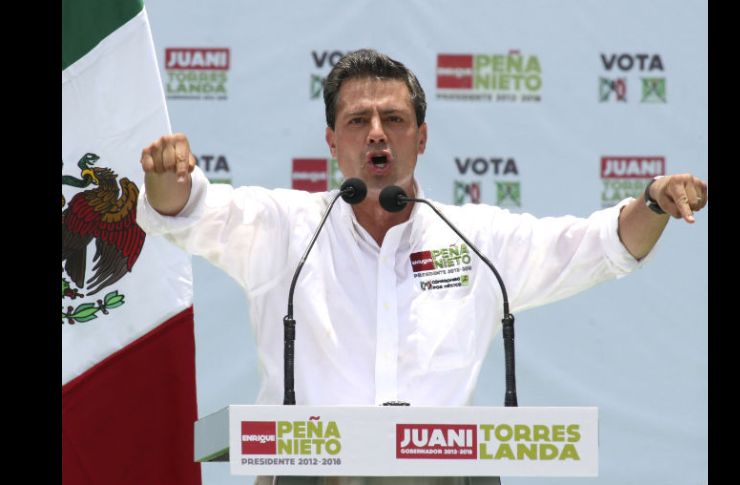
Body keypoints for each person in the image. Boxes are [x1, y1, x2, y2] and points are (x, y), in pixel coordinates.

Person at [136, 48, 706, 483]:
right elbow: (190, 212)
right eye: (358, 121)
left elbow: (595, 245)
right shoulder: (286, 228)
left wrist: (652, 200)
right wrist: (169, 183)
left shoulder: (474, 237)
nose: (377, 133)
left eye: (395, 119)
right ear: (332, 141)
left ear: (422, 137)